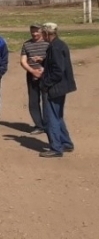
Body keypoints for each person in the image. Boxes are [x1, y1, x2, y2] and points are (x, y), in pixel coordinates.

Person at [37, 22, 76, 158]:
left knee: (51, 117)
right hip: (61, 87)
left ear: (48, 34)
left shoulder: (55, 47)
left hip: (55, 88)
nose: (42, 36)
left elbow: (58, 70)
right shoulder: (59, 45)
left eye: (43, 33)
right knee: (58, 115)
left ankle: (56, 147)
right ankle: (66, 142)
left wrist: (45, 84)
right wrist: (43, 61)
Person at [19, 23, 49, 134]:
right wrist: (32, 71)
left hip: (45, 75)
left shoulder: (47, 43)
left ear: (41, 31)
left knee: (47, 101)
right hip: (31, 75)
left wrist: (43, 69)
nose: (34, 33)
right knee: (33, 101)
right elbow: (23, 61)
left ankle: (48, 124)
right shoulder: (27, 44)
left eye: (37, 31)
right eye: (32, 31)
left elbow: (52, 60)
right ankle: (39, 125)